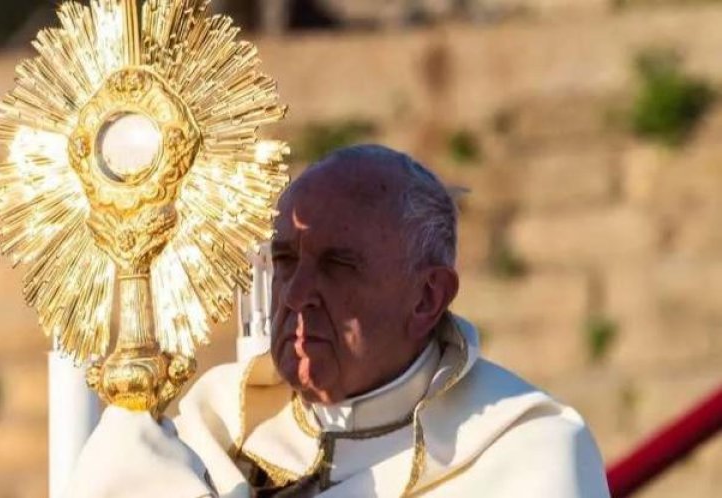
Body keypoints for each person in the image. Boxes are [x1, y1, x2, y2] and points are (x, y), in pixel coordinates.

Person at [65, 145, 610, 497]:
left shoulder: (526, 455)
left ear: (426, 297)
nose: (298, 294)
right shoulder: (210, 426)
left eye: (338, 266)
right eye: (284, 261)